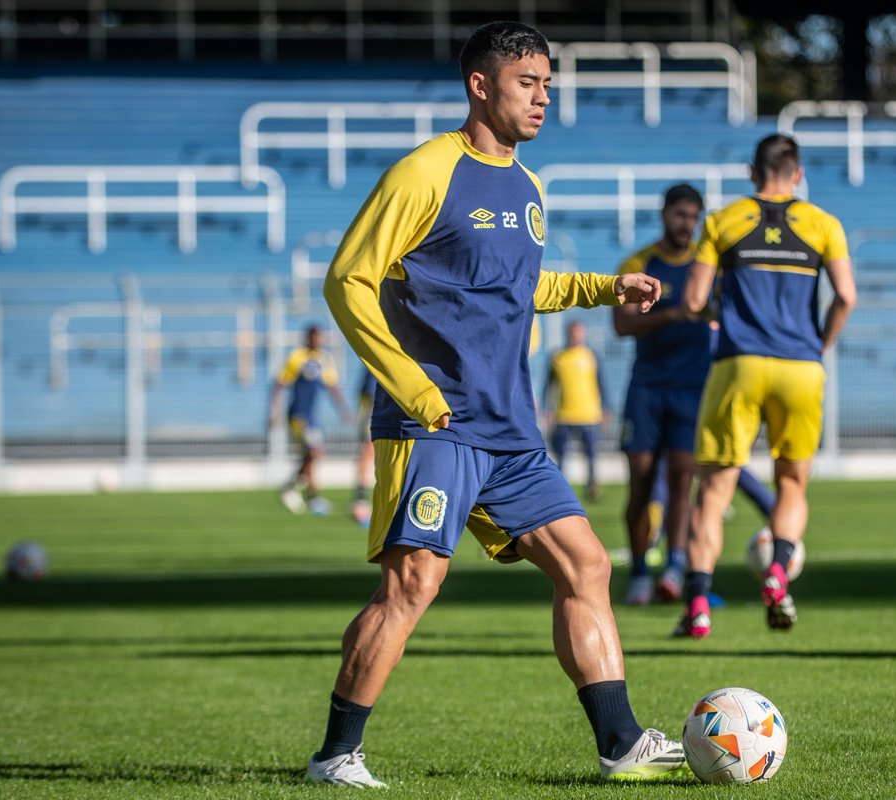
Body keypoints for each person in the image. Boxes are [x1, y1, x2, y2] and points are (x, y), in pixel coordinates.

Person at [312, 21, 686, 787]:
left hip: (510, 430)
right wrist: (410, 384)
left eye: (549, 83)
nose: (544, 97)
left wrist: (604, 286)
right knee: (412, 584)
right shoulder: (424, 173)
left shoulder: (528, 185)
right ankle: (335, 756)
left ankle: (619, 742)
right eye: (528, 82)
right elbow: (348, 278)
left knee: (586, 565)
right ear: (480, 85)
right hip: (434, 423)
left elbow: (516, 289)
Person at [675, 133, 856, 638]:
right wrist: (820, 344)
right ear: (796, 174)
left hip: (739, 364)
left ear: (753, 174)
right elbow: (845, 295)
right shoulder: (824, 224)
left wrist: (718, 311)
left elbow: (692, 302)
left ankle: (698, 603)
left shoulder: (722, 221)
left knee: (712, 492)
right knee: (792, 483)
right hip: (801, 366)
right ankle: (778, 571)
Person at [613, 183, 710, 605]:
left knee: (682, 482)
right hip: (647, 389)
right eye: (680, 215)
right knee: (641, 483)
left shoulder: (707, 266)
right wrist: (675, 313)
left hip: (692, 390)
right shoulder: (639, 263)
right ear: (664, 214)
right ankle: (638, 571)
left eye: (693, 217)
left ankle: (673, 566)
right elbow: (623, 324)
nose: (686, 224)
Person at [268, 324, 352, 516]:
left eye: (319, 337)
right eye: (314, 337)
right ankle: (295, 488)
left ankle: (309, 495)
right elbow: (279, 384)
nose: (317, 340)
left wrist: (344, 410)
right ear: (307, 338)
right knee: (313, 452)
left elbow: (332, 386)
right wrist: (274, 411)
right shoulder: (297, 357)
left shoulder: (324, 359)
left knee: (312, 456)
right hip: (297, 415)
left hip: (312, 417)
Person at [544, 321, 607, 500]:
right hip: (564, 414)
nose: (576, 336)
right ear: (568, 334)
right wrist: (547, 409)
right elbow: (549, 386)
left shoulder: (592, 355)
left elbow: (601, 383)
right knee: (561, 455)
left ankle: (592, 486)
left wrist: (605, 408)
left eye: (579, 332)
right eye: (573, 333)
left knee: (591, 454)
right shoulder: (557, 356)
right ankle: (561, 487)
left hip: (589, 414)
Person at [351, 370, 379, 526]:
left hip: (382, 410)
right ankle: (360, 500)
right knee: (367, 450)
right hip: (375, 411)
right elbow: (368, 391)